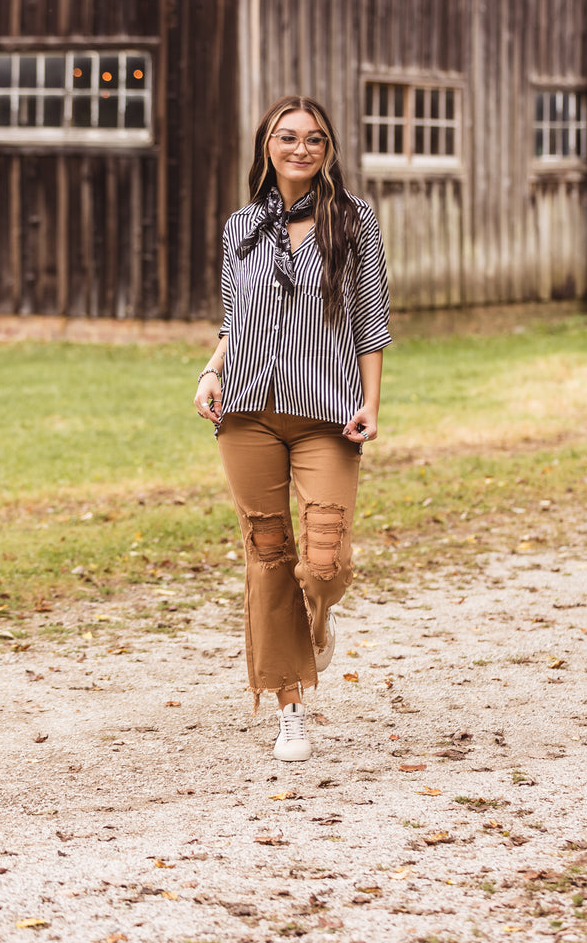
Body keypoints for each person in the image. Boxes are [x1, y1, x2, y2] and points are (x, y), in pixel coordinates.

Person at [194, 95, 391, 762]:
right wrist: (210, 371)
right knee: (268, 555)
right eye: (287, 137)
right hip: (246, 412)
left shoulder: (354, 220)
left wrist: (371, 401)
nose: (300, 147)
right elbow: (234, 317)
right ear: (268, 145)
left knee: (323, 561)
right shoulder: (242, 227)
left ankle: (320, 617)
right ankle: (290, 708)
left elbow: (372, 320)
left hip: (327, 413)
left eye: (313, 138)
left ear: (328, 147)